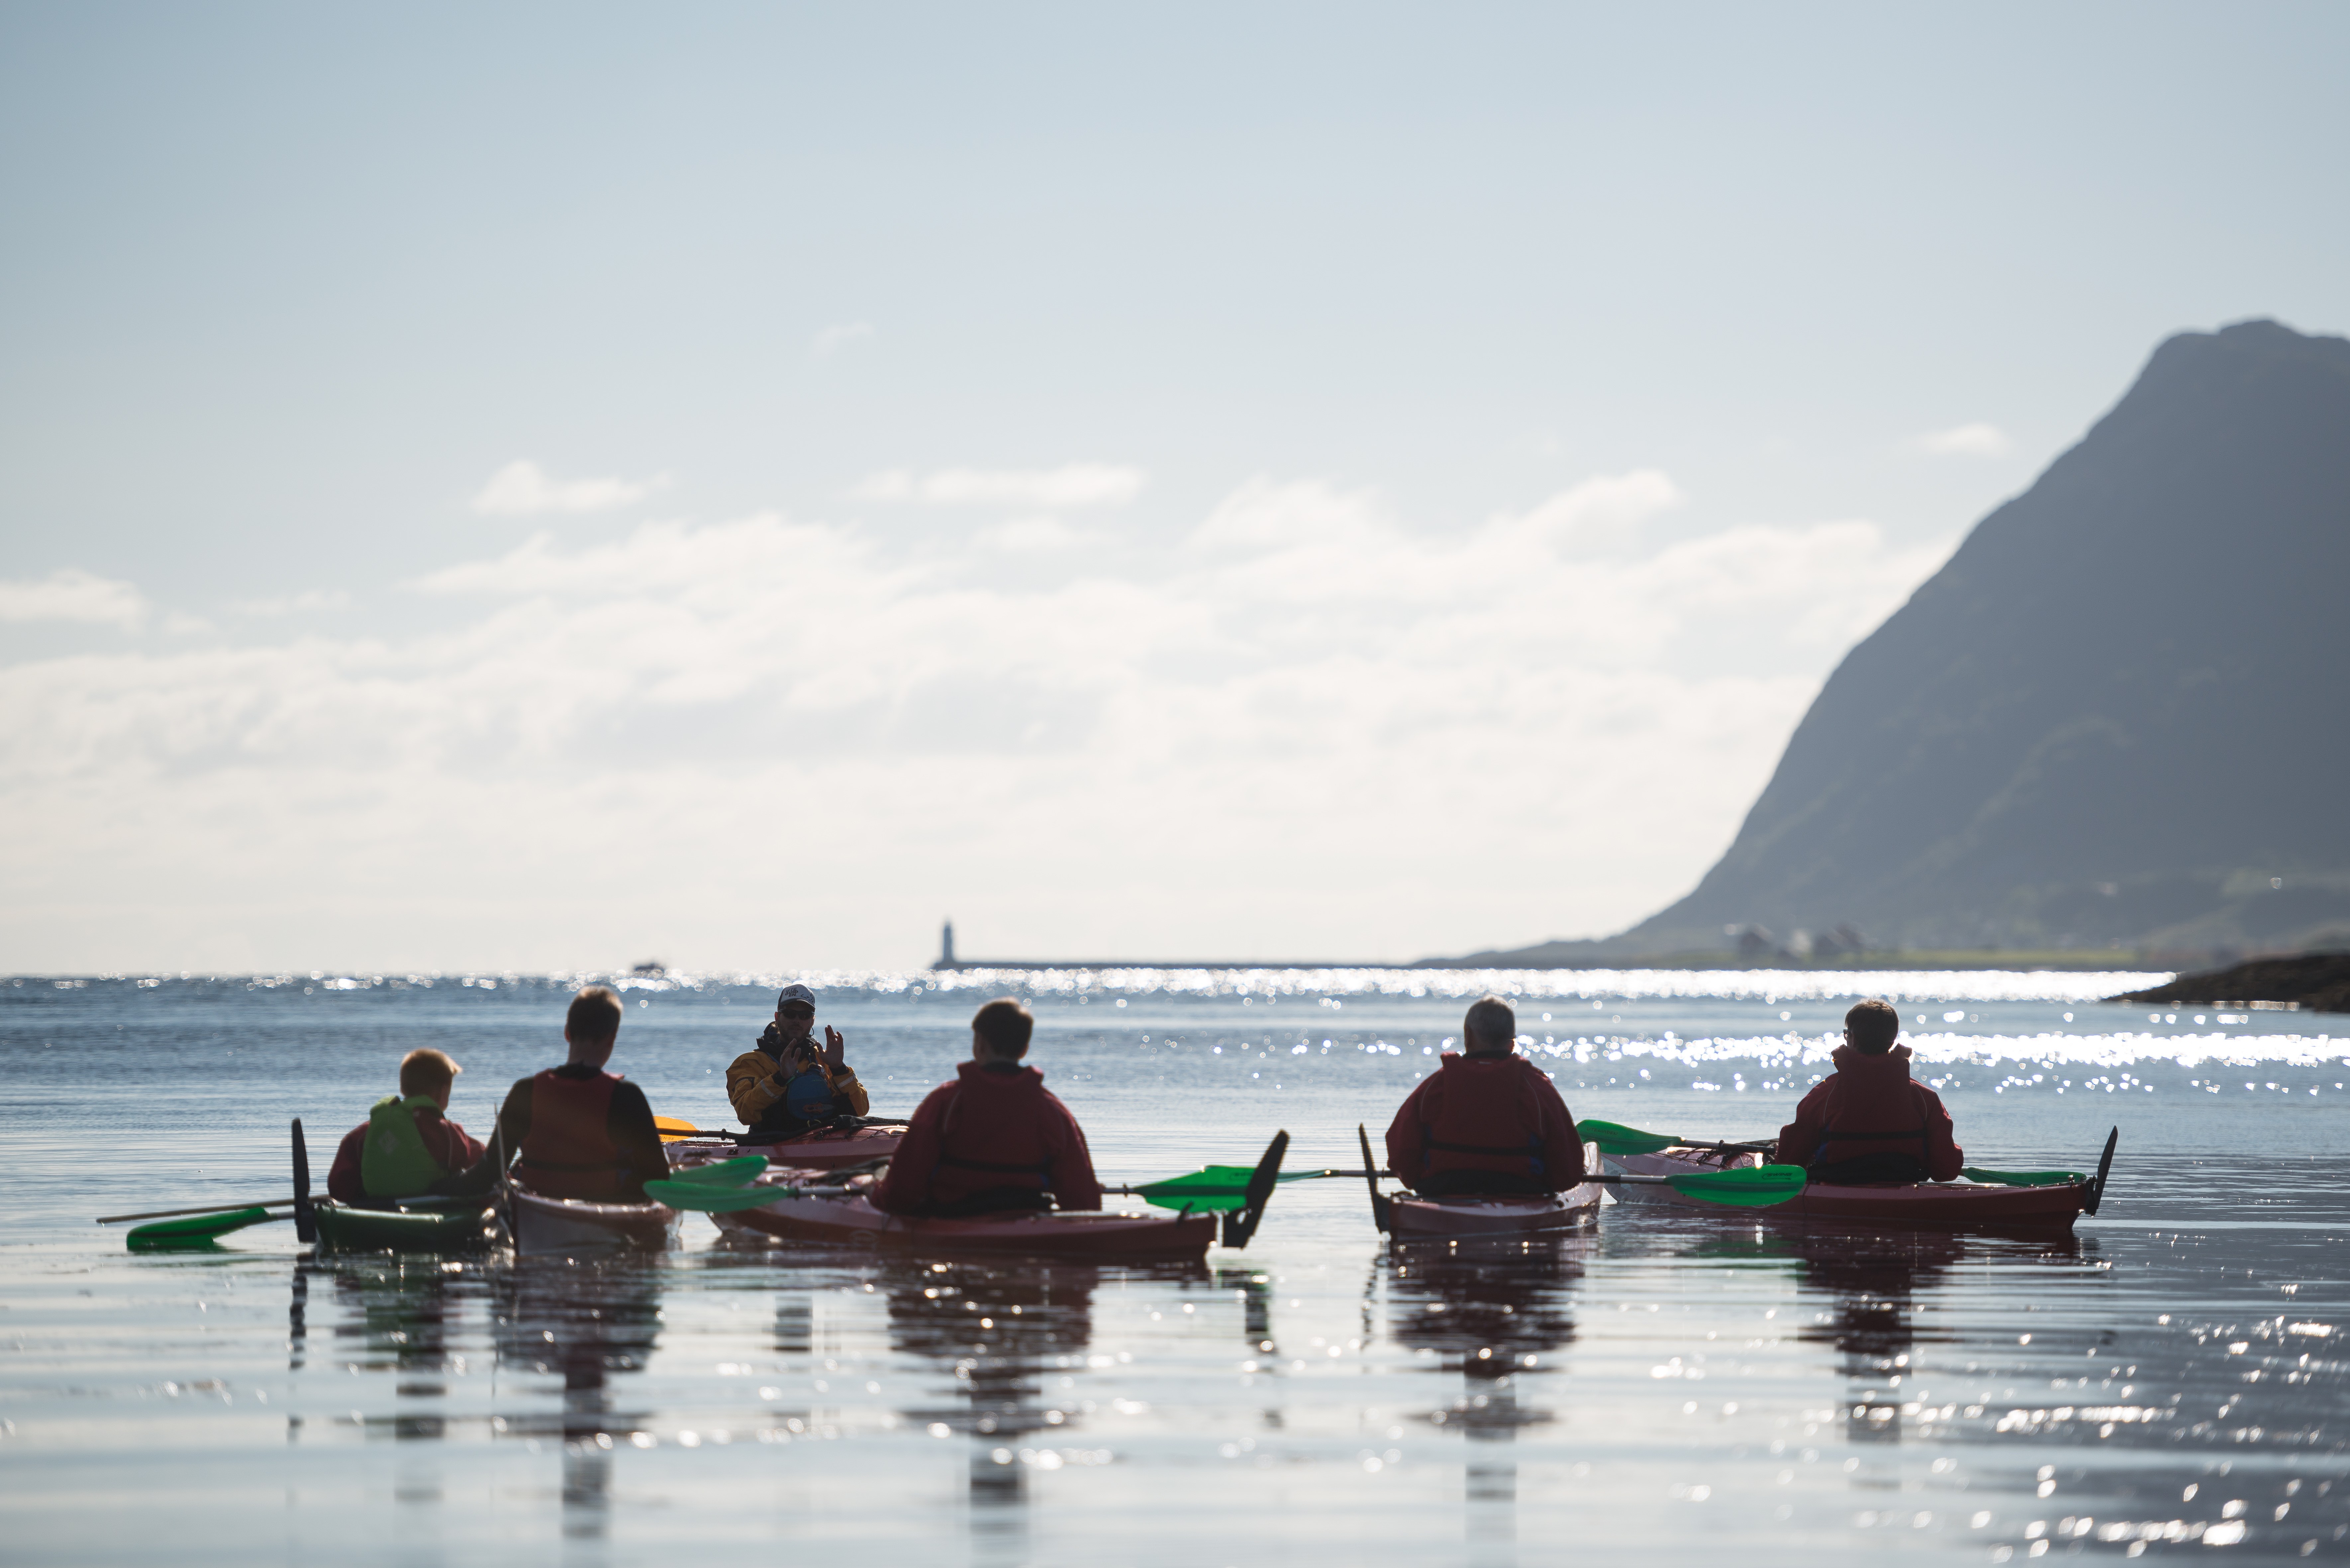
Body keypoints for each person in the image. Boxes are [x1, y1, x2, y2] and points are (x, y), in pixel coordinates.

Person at [877, 997, 1102, 1216]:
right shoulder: (1052, 1109)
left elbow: (901, 1193)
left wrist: (874, 1190)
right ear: (1024, 1049)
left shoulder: (946, 1101)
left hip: (953, 1216)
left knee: (869, 1179)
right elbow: (1084, 1203)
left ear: (979, 1044)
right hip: (1028, 1216)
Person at [445, 985, 671, 1202]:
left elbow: (490, 1172)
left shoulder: (525, 1091)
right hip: (604, 1205)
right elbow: (657, 1177)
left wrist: (443, 1188)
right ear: (612, 1037)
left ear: (567, 1033)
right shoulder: (627, 1096)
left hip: (536, 1205)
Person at [1385, 995, 1585, 1196]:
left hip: (1443, 1186)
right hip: (1522, 1189)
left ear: (1468, 1035)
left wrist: (1415, 1179)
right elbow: (1569, 1170)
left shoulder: (1436, 1085)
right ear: (1512, 1042)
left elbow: (1401, 1151)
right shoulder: (1536, 1087)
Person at [1774, 998, 1963, 1183]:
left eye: (1847, 1034)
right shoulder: (1924, 1098)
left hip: (1836, 1185)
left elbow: (1789, 1164)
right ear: (1892, 1040)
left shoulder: (1824, 1094)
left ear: (1853, 1039)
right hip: (1905, 1183)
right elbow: (1945, 1171)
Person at [325, 1048, 487, 1206]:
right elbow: (472, 1163)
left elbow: (338, 1185)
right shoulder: (446, 1131)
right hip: (429, 1206)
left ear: (403, 1089)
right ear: (443, 1092)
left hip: (376, 1207)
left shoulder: (365, 1132)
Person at [727, 983, 871, 1140]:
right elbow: (745, 1114)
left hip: (825, 1141)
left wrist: (839, 1069)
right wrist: (780, 1079)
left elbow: (861, 1109)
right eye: (790, 1014)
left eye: (805, 1016)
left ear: (812, 1021)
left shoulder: (823, 1059)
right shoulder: (749, 1063)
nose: (797, 1020)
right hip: (774, 1143)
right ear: (777, 1017)